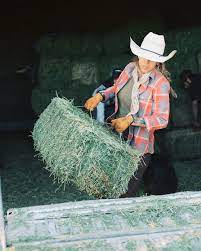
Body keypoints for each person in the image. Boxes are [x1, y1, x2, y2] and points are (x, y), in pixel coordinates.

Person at [84, 32, 177, 197]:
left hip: (138, 148)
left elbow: (162, 119)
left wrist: (132, 119)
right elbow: (116, 88)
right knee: (107, 185)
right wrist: (101, 96)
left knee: (125, 194)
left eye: (152, 59)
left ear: (158, 61)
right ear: (138, 54)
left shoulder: (160, 84)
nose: (147, 62)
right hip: (116, 136)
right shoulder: (129, 68)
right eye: (144, 56)